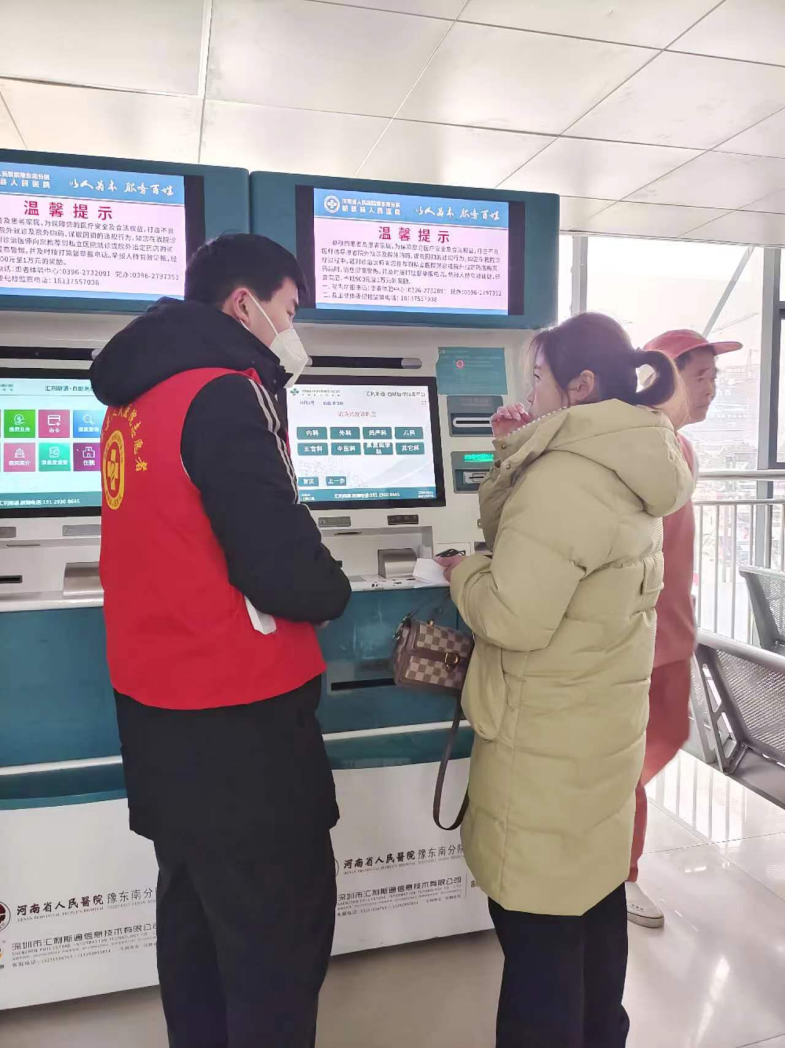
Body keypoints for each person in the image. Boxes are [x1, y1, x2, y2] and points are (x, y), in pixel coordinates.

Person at [91, 234, 351, 1048]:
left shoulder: (133, 399)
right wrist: (330, 586)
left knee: (195, 925)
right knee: (277, 942)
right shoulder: (227, 391)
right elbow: (281, 568)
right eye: (288, 309)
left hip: (156, 711)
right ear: (244, 304)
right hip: (242, 718)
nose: (290, 328)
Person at [437, 313, 694, 1048]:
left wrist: (464, 572)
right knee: (593, 908)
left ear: (579, 386)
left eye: (539, 379)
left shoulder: (564, 478)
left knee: (539, 941)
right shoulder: (632, 458)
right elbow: (554, 561)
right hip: (597, 733)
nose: (530, 394)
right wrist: (512, 454)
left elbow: (513, 616)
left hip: (542, 742)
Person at [626, 328, 741, 929]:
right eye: (701, 377)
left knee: (665, 738)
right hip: (634, 638)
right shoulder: (635, 446)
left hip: (673, 632)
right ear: (662, 378)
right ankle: (618, 874)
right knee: (627, 763)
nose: (712, 389)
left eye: (714, 378)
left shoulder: (683, 450)